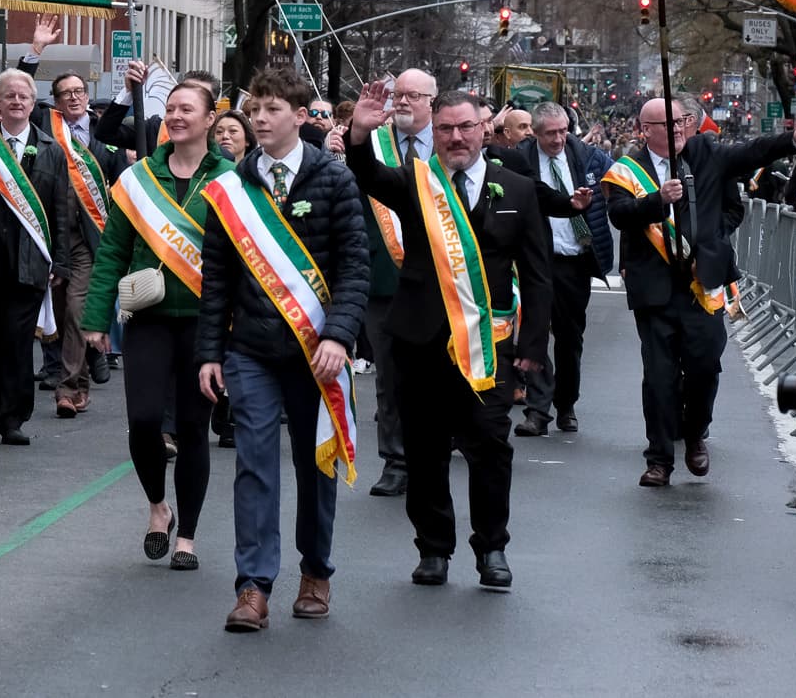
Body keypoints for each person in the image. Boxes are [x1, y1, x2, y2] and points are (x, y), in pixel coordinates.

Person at [346, 83, 550, 592]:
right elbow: (366, 173)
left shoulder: (518, 189)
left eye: (465, 127)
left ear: (485, 128)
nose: (456, 137)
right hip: (418, 342)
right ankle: (434, 549)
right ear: (432, 132)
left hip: (487, 348)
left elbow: (538, 275)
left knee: (490, 448)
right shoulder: (415, 182)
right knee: (425, 450)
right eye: (445, 129)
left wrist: (533, 348)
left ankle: (492, 548)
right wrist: (359, 133)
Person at [195, 70, 367, 630]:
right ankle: (253, 587)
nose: (260, 119)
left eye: (271, 109)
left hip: (318, 352)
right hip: (252, 351)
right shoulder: (232, 186)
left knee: (315, 463)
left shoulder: (335, 179)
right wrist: (210, 353)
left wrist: (339, 336)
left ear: (299, 115)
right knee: (254, 465)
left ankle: (315, 571)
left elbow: (354, 268)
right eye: (255, 109)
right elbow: (215, 276)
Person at [605, 92, 796, 488]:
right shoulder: (626, 169)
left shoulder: (706, 152)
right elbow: (619, 215)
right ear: (645, 130)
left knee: (705, 366)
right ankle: (658, 459)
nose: (677, 130)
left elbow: (753, 151)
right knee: (658, 375)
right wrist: (658, 200)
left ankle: (695, 435)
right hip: (655, 289)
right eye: (666, 125)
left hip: (701, 282)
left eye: (681, 122)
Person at [81, 81, 222, 579]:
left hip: (206, 322)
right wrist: (95, 318)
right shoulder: (139, 179)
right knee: (143, 420)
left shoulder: (231, 179)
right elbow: (113, 251)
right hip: (148, 319)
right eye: (171, 108)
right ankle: (158, 505)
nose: (177, 116)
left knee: (192, 428)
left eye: (188, 109)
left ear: (210, 119)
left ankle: (187, 535)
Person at [0, 68, 82, 446]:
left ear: (32, 103)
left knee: (15, 342)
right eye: (8, 95)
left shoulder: (50, 150)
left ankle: (12, 417)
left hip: (28, 263)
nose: (15, 101)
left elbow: (61, 209)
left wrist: (60, 262)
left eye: (22, 96)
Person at [487, 103, 612, 436]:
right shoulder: (521, 159)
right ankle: (537, 411)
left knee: (570, 339)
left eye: (563, 131)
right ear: (536, 133)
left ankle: (566, 404)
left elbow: (623, 180)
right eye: (550, 133)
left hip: (576, 260)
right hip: (535, 260)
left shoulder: (588, 157)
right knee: (536, 333)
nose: (558, 139)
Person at [360, 67, 437, 499]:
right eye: (398, 94)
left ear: (431, 102)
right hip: (385, 279)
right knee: (389, 375)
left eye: (413, 95)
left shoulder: (448, 145)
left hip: (441, 279)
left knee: (436, 374)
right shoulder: (372, 147)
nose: (403, 102)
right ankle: (395, 459)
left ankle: (432, 450)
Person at [38, 69, 119, 415]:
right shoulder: (46, 129)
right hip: (51, 235)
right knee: (57, 310)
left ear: (87, 96)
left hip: (88, 238)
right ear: (56, 102)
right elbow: (16, 100)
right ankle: (85, 365)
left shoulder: (105, 134)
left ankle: (68, 388)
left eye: (79, 91)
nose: (74, 97)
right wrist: (34, 54)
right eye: (66, 93)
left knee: (75, 308)